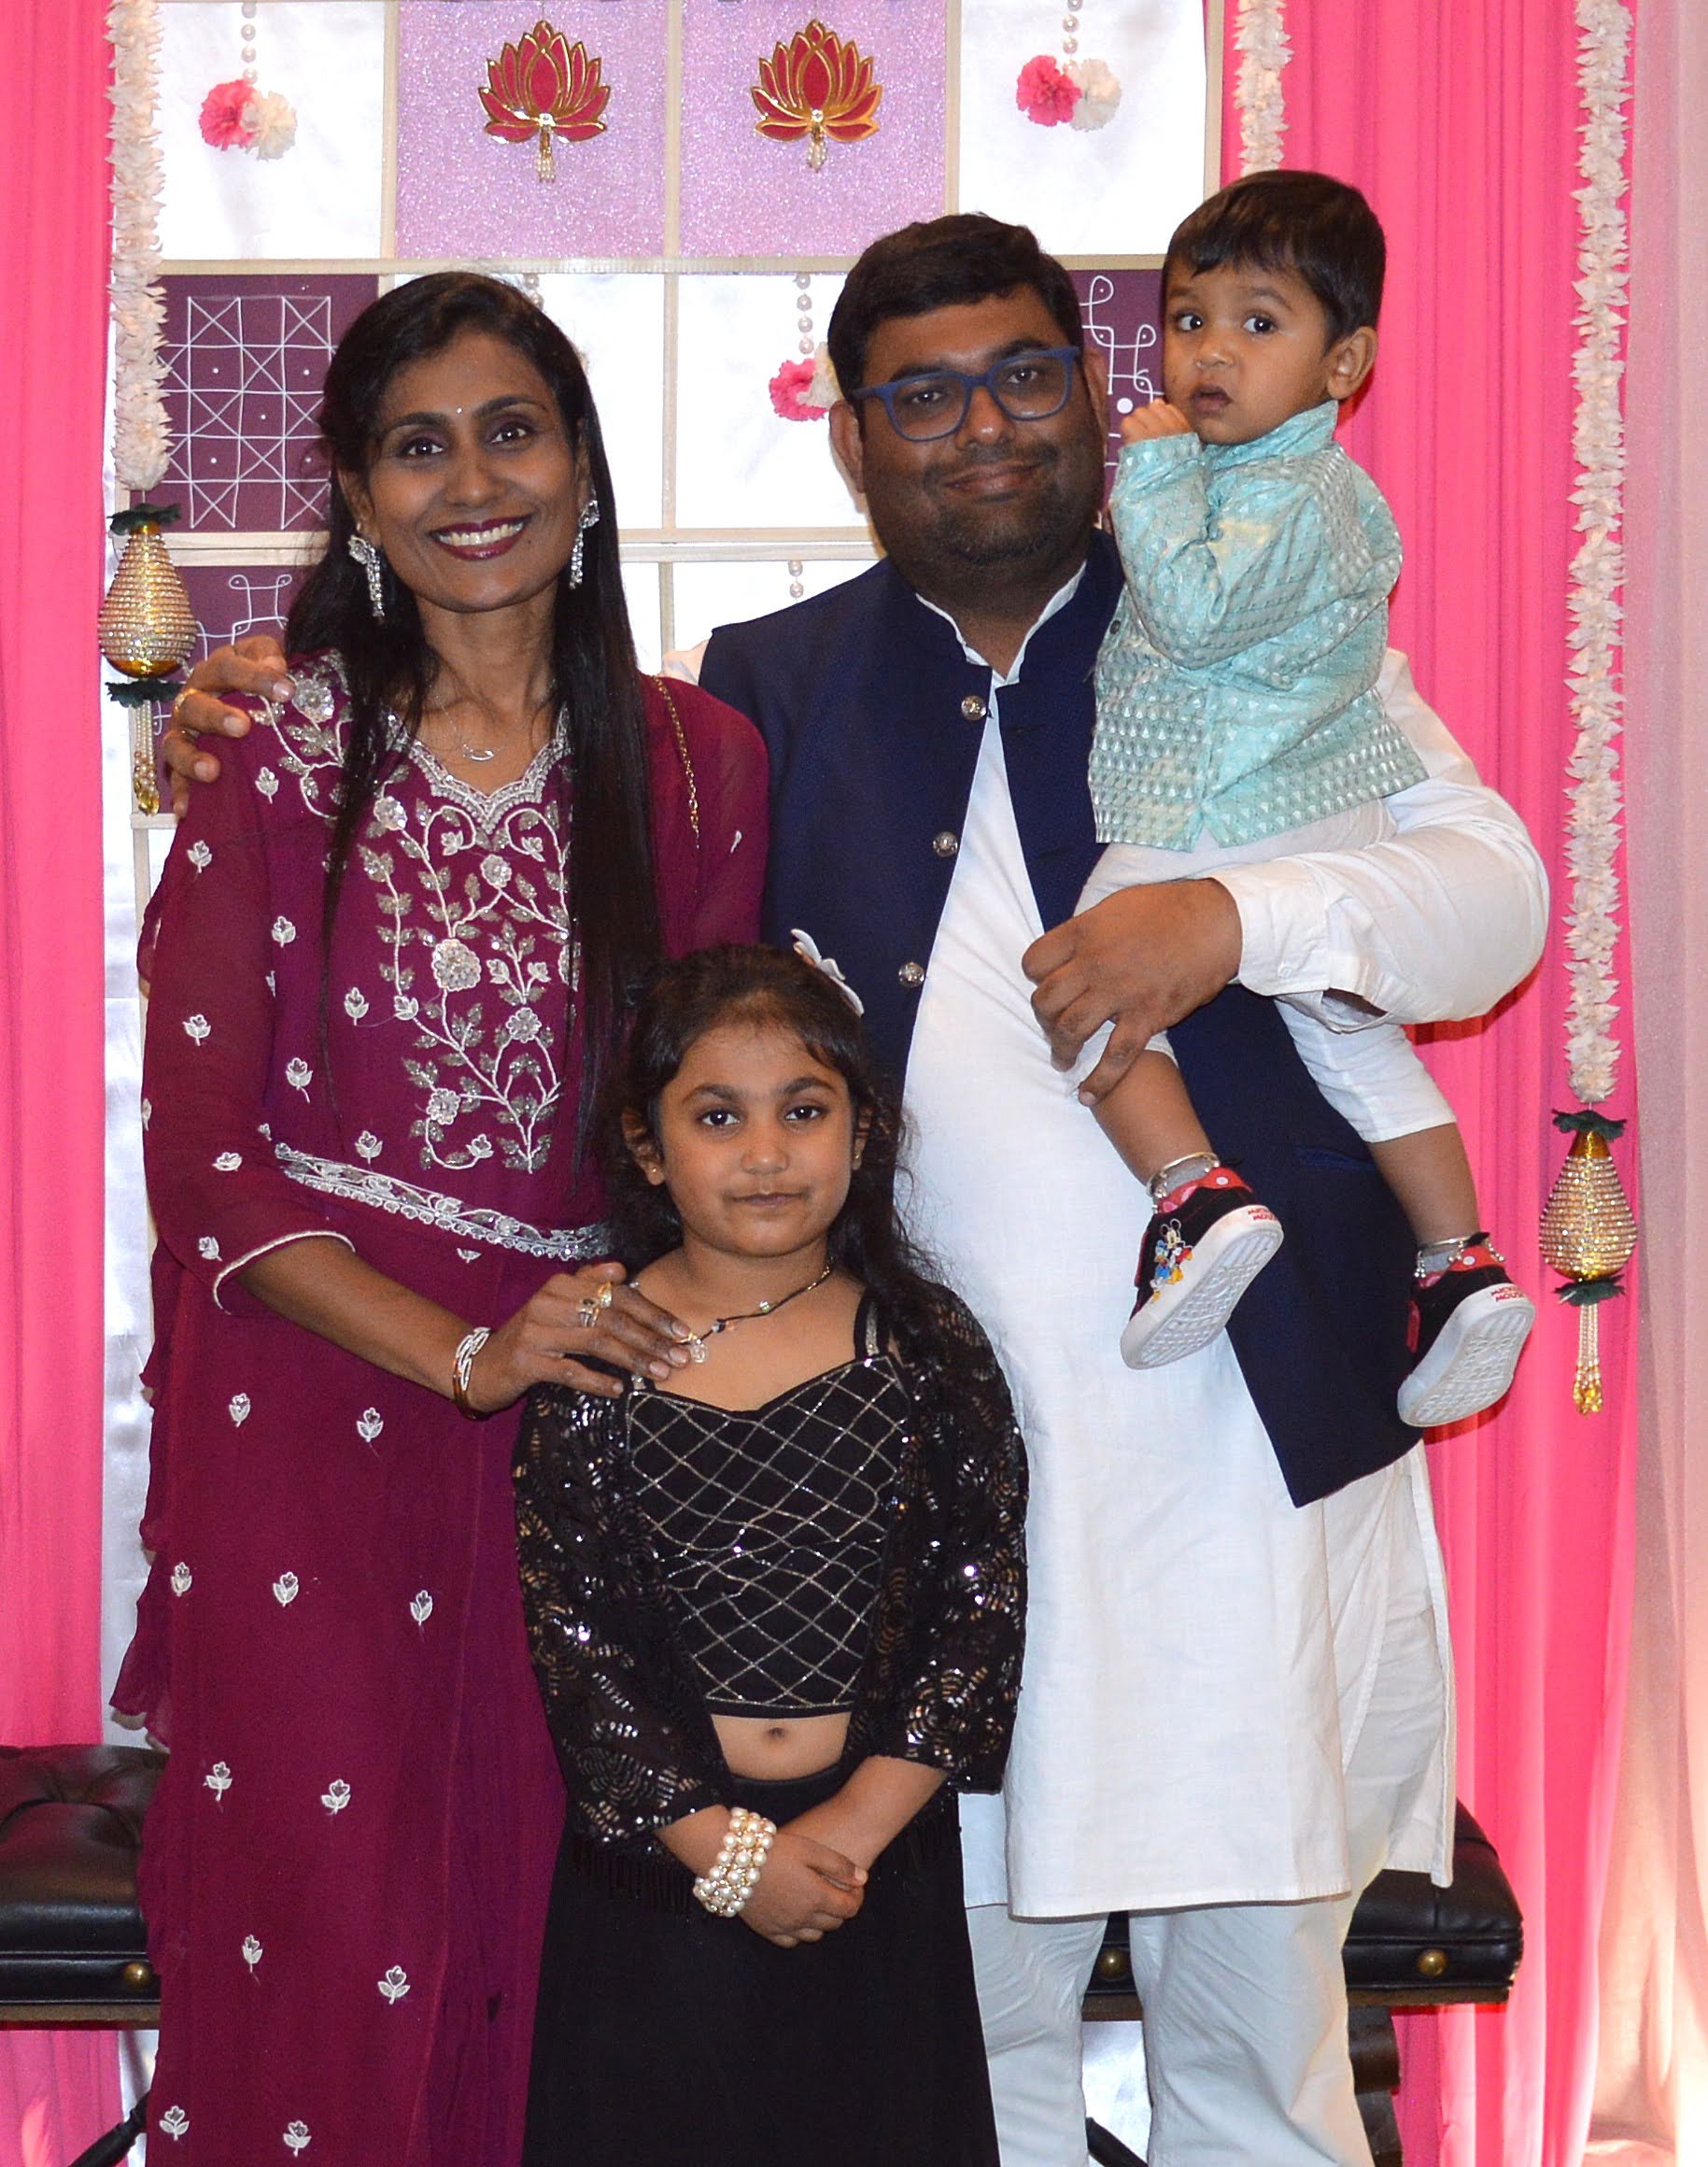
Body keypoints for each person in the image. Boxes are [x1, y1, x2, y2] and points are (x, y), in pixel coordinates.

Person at [167, 216, 1547, 2166]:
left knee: (1257, 2070)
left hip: (1233, 1476)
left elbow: (1495, 905)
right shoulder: (767, 692)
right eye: (919, 395)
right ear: (850, 439)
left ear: (1099, 397)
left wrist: (1234, 918)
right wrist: (258, 685)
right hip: (893, 1502)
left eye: (1024, 376)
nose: (979, 427)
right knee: (952, 2073)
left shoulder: (1256, 624)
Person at [114, 272, 768, 2166]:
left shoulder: (695, 759)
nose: (472, 484)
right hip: (315, 1403)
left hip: (601, 1406)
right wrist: (468, 1350)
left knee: (576, 1926)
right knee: (332, 1919)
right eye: (418, 446)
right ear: (353, 494)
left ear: (582, 463)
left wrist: (606, 1354)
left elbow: (709, 1116)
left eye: (512, 432)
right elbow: (206, 1156)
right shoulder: (271, 754)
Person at [514, 942, 1026, 2166]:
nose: (764, 1154)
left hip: (871, 1866)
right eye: (717, 1116)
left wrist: (846, 1835)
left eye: (803, 1112)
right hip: (660, 1873)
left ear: (863, 1132)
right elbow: (575, 1635)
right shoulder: (599, 1354)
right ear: (648, 1147)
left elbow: (978, 1607)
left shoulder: (921, 1343)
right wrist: (725, 1852)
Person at [1080, 171, 1535, 1414]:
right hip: (1323, 809)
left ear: (1345, 365)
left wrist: (1151, 474)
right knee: (1355, 1037)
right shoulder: (1292, 484)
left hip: (1226, 804)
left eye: (1257, 322)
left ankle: (1194, 1198)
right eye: (1188, 320)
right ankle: (1461, 1265)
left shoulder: (1278, 492)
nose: (1210, 352)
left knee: (1085, 984)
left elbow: (1189, 614)